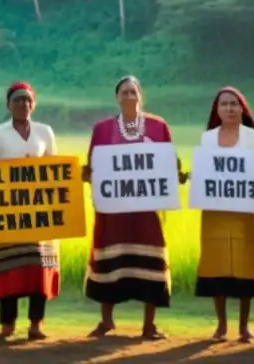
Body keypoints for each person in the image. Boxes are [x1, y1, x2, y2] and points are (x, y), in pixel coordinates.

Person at [84, 75, 177, 340]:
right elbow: (93, 165)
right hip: (112, 212)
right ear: (117, 98)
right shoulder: (102, 129)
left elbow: (167, 163)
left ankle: (149, 325)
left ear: (140, 95)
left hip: (145, 212)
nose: (128, 96)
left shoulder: (158, 127)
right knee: (110, 263)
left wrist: (174, 176)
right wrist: (86, 174)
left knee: (150, 262)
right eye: (123, 92)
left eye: (132, 91)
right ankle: (106, 321)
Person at [194, 87, 254, 343]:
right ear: (217, 110)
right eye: (224, 104)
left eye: (234, 104)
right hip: (215, 213)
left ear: (242, 109)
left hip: (244, 213)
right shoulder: (207, 139)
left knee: (244, 264)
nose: (229, 108)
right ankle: (221, 326)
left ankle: (244, 326)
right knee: (217, 266)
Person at [0, 81, 60, 342]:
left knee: (39, 267)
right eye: (18, 100)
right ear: (9, 105)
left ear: (33, 104)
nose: (23, 104)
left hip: (39, 212)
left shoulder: (45, 132)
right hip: (8, 213)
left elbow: (54, 171)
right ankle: (7, 325)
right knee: (9, 268)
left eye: (27, 100)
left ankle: (36, 324)